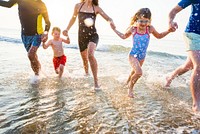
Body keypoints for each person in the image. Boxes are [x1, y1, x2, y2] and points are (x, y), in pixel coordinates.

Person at [111, 8, 175, 98]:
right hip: (133, 55)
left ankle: (126, 82)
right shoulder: (133, 29)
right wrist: (114, 29)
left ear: (149, 21)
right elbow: (123, 36)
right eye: (141, 21)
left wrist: (169, 31)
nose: (143, 24)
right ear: (137, 19)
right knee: (139, 72)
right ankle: (130, 88)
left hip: (142, 56)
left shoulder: (150, 29)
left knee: (134, 72)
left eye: (146, 21)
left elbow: (159, 36)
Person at [63, 0, 115, 89]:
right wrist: (67, 29)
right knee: (84, 60)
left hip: (93, 35)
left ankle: (96, 82)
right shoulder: (78, 6)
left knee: (90, 55)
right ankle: (87, 75)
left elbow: (108, 18)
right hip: (81, 36)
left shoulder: (96, 8)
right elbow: (73, 18)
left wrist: (111, 22)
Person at [0, 0, 51, 83]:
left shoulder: (41, 4)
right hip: (24, 35)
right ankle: (40, 74)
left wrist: (46, 32)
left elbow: (47, 22)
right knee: (33, 57)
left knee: (31, 54)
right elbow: (8, 4)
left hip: (37, 34)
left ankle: (37, 77)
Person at [168, 0, 200, 112]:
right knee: (199, 65)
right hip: (192, 33)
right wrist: (170, 21)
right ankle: (196, 104)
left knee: (189, 65)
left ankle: (170, 77)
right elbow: (174, 10)